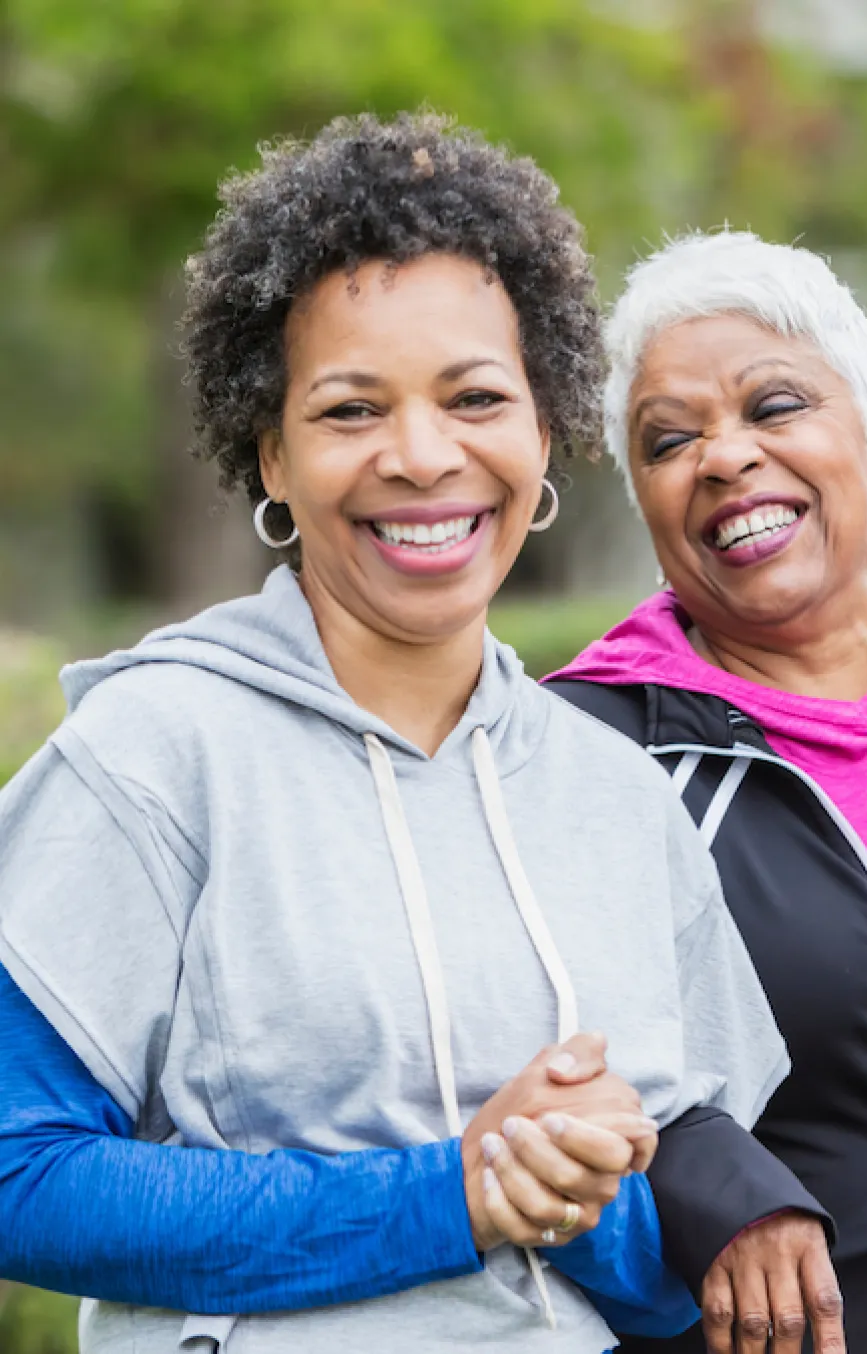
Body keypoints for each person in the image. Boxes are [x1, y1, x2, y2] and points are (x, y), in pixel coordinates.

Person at [0, 119, 805, 1354]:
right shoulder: (154, 754)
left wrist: (583, 1197)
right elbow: (19, 1178)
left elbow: (652, 1270)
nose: (423, 456)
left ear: (544, 432)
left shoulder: (614, 798)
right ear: (270, 451)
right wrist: (453, 1194)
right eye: (348, 409)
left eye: (476, 397)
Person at [548, 228, 867, 1354]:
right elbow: (508, 1041)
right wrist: (702, 1174)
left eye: (773, 406)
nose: (723, 456)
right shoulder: (576, 751)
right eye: (669, 439)